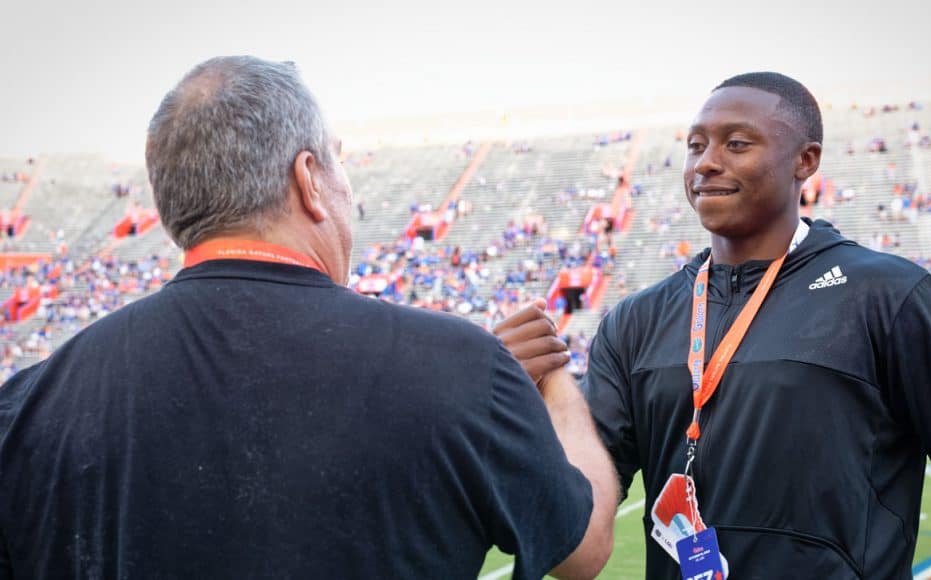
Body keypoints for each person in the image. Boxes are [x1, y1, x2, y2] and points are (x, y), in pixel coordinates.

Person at [0, 56, 617, 579]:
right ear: (310, 181)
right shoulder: (460, 370)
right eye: (339, 164)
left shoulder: (25, 405)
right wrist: (552, 382)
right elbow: (583, 545)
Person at [583, 72, 931, 579]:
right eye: (696, 145)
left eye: (737, 143)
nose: (706, 162)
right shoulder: (635, 320)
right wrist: (520, 398)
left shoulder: (890, 296)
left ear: (805, 160)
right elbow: (574, 511)